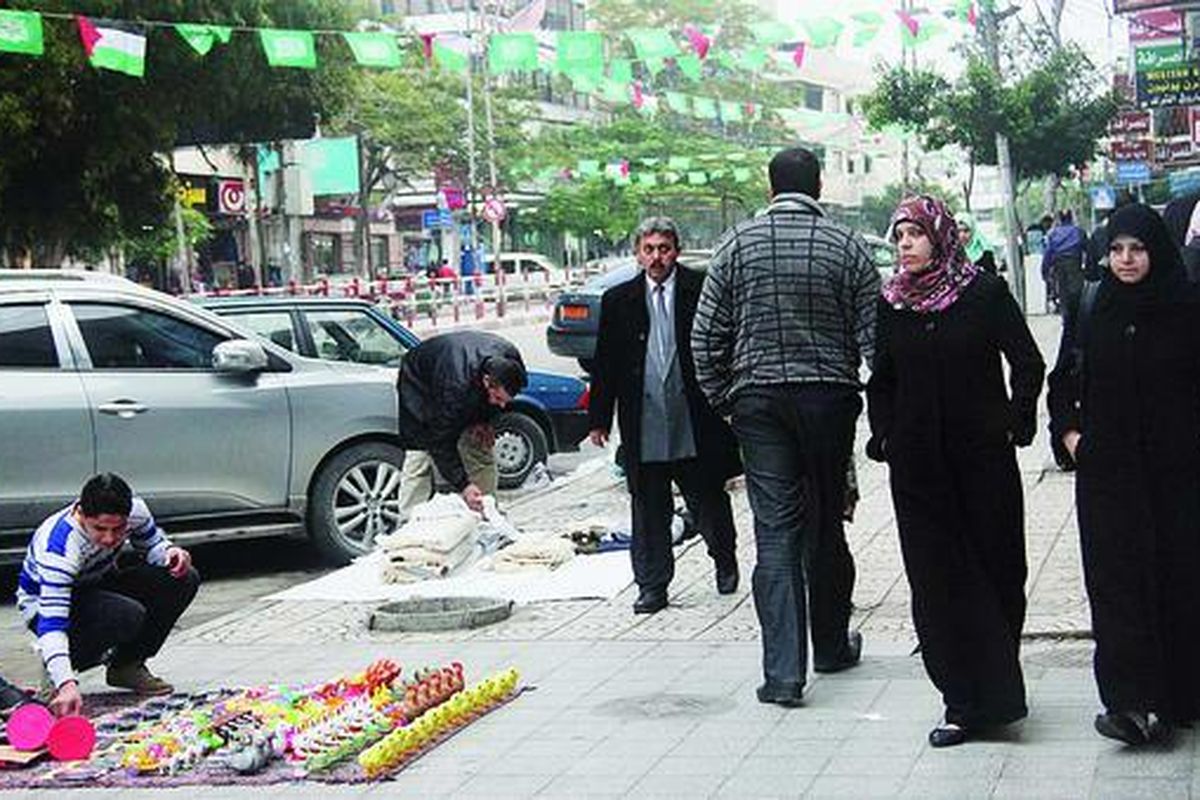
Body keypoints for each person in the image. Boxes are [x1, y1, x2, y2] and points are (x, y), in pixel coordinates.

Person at [692, 147, 880, 707]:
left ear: (770, 187)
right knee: (826, 521)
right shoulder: (848, 246)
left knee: (775, 532)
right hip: (830, 401)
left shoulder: (734, 246)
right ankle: (830, 646)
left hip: (759, 403)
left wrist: (729, 401)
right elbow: (876, 342)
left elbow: (705, 340)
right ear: (818, 185)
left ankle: (783, 676)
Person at [867, 195, 1044, 747]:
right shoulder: (892, 304)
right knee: (936, 583)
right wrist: (886, 434)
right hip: (919, 470)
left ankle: (998, 687)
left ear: (941, 237)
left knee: (996, 573)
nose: (906, 246)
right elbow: (883, 378)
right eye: (899, 237)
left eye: (915, 234)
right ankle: (961, 701)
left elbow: (1029, 362)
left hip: (982, 462)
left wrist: (1016, 423)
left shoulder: (984, 294)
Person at [1048, 204, 1200, 745]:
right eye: (1116, 250)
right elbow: (1062, 383)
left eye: (1136, 249)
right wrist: (1072, 439)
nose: (1126, 259)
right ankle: (1129, 703)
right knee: (1116, 588)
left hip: (1178, 477)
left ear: (1156, 250)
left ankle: (1179, 695)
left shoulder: (1186, 306)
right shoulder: (1092, 305)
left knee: (1180, 582)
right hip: (1108, 477)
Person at [588, 217, 742, 615]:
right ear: (638, 253)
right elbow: (605, 363)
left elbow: (726, 343)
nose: (657, 257)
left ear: (677, 251)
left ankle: (724, 557)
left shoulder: (701, 289)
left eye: (664, 249)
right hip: (645, 417)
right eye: (649, 249)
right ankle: (652, 585)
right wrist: (599, 418)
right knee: (649, 503)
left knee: (707, 496)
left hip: (694, 413)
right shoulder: (618, 300)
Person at [17, 473, 200, 717]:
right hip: (47, 606)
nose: (110, 538)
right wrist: (66, 682)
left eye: (118, 529)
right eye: (100, 529)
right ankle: (57, 673)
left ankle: (127, 665)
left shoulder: (136, 511)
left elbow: (152, 545)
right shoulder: (59, 548)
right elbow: (52, 624)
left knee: (182, 578)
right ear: (81, 514)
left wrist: (169, 552)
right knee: (125, 614)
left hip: (99, 583)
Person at [396, 331, 527, 517]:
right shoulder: (455, 388)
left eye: (506, 400)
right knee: (420, 454)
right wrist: (463, 485)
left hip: (463, 373)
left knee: (480, 445)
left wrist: (486, 420)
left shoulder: (511, 363)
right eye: (497, 398)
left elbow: (498, 398)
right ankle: (410, 524)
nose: (502, 405)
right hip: (419, 383)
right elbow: (440, 441)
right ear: (486, 381)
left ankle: (486, 512)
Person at [1041, 210, 1087, 320]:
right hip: (1075, 264)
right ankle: (1078, 318)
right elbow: (1088, 249)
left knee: (1063, 294)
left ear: (1060, 219)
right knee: (1077, 292)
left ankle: (1066, 319)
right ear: (1071, 218)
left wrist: (1045, 270)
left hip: (1059, 266)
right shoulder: (1079, 231)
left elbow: (1048, 253)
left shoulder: (1053, 233)